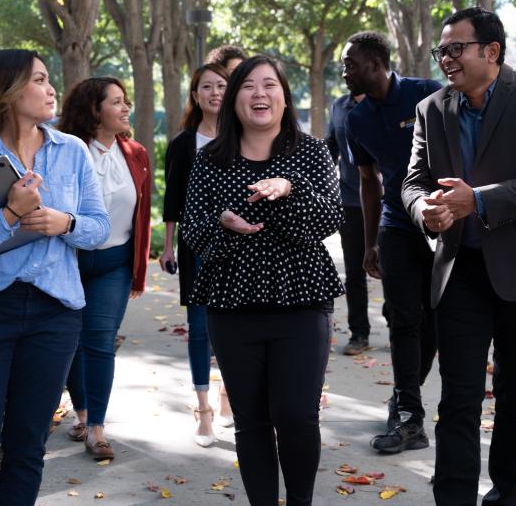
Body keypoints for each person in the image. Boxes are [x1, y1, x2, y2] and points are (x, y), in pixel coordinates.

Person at [402, 7, 516, 505]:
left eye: (455, 48)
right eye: (442, 50)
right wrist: (426, 212)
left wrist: (476, 200)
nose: (445, 59)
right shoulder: (430, 109)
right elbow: (413, 183)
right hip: (459, 273)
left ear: (490, 51)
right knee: (458, 399)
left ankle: (505, 496)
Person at [0, 49, 110, 504]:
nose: (51, 88)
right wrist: (11, 213)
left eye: (48, 78)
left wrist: (63, 223)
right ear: (7, 91)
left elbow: (99, 227)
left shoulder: (71, 151)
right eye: (39, 79)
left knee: (27, 448)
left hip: (55, 316)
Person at [182, 55, 343, 506]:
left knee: (295, 416)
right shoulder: (211, 159)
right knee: (251, 421)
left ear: (284, 97)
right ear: (233, 100)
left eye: (269, 85)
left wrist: (288, 191)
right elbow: (192, 231)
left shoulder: (310, 153)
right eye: (248, 86)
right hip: (232, 305)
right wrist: (223, 224)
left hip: (301, 301)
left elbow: (329, 218)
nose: (259, 94)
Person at [341, 31, 442, 454]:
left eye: (351, 64)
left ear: (376, 62)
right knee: (402, 320)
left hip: (440, 224)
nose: (345, 72)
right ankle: (409, 419)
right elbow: (369, 181)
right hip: (396, 226)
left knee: (432, 321)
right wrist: (369, 244)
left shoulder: (429, 95)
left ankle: (402, 399)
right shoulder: (356, 119)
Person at [58, 77, 152, 461]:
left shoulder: (137, 153)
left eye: (125, 100)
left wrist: (138, 270)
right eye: (116, 101)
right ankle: (80, 415)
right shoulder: (66, 151)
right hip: (69, 260)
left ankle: (96, 428)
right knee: (69, 342)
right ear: (94, 110)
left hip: (114, 263)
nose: (126, 107)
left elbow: (142, 215)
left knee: (99, 342)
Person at [160, 63, 236, 447]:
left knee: (235, 327)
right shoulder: (182, 143)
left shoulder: (244, 137)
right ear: (195, 96)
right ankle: (204, 409)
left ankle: (227, 397)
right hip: (197, 246)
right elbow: (172, 198)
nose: (215, 93)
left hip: (240, 246)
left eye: (222, 85)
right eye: (207, 87)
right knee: (200, 328)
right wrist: (168, 244)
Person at [325, 89, 370, 355]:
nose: (345, 73)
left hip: (388, 202)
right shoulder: (339, 106)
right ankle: (359, 333)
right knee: (355, 272)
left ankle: (400, 324)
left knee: (394, 269)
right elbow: (330, 146)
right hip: (351, 201)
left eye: (351, 66)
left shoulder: (386, 103)